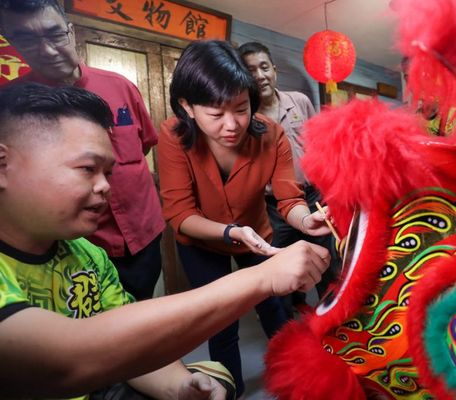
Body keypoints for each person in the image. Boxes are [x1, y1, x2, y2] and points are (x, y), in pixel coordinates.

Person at [0, 82, 330, 399]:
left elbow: (129, 345)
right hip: (207, 245)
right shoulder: (176, 137)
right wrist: (261, 277)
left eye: (108, 173)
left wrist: (179, 387)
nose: (105, 186)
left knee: (216, 376)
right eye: (87, 168)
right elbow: (67, 361)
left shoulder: (88, 256)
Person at [158, 40, 331, 398]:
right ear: (187, 106)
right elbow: (180, 214)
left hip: (257, 236)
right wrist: (231, 231)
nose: (232, 125)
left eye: (241, 109)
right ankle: (231, 391)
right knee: (221, 323)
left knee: (275, 310)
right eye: (216, 114)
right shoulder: (173, 136)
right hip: (202, 243)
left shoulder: (271, 134)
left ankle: (299, 381)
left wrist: (305, 221)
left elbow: (288, 198)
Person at [0, 0, 164, 300]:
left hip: (143, 235)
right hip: (74, 248)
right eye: (26, 39)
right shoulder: (12, 104)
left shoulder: (121, 86)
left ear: (71, 31)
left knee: (141, 312)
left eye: (54, 34)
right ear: (11, 42)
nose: (47, 50)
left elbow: (144, 146)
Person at [238, 41, 340, 315]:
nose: (260, 76)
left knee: (329, 260)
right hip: (272, 206)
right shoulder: (244, 116)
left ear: (274, 70)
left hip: (312, 195)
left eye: (264, 67)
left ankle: (334, 319)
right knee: (281, 265)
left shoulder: (299, 101)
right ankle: (288, 326)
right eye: (251, 71)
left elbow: (319, 145)